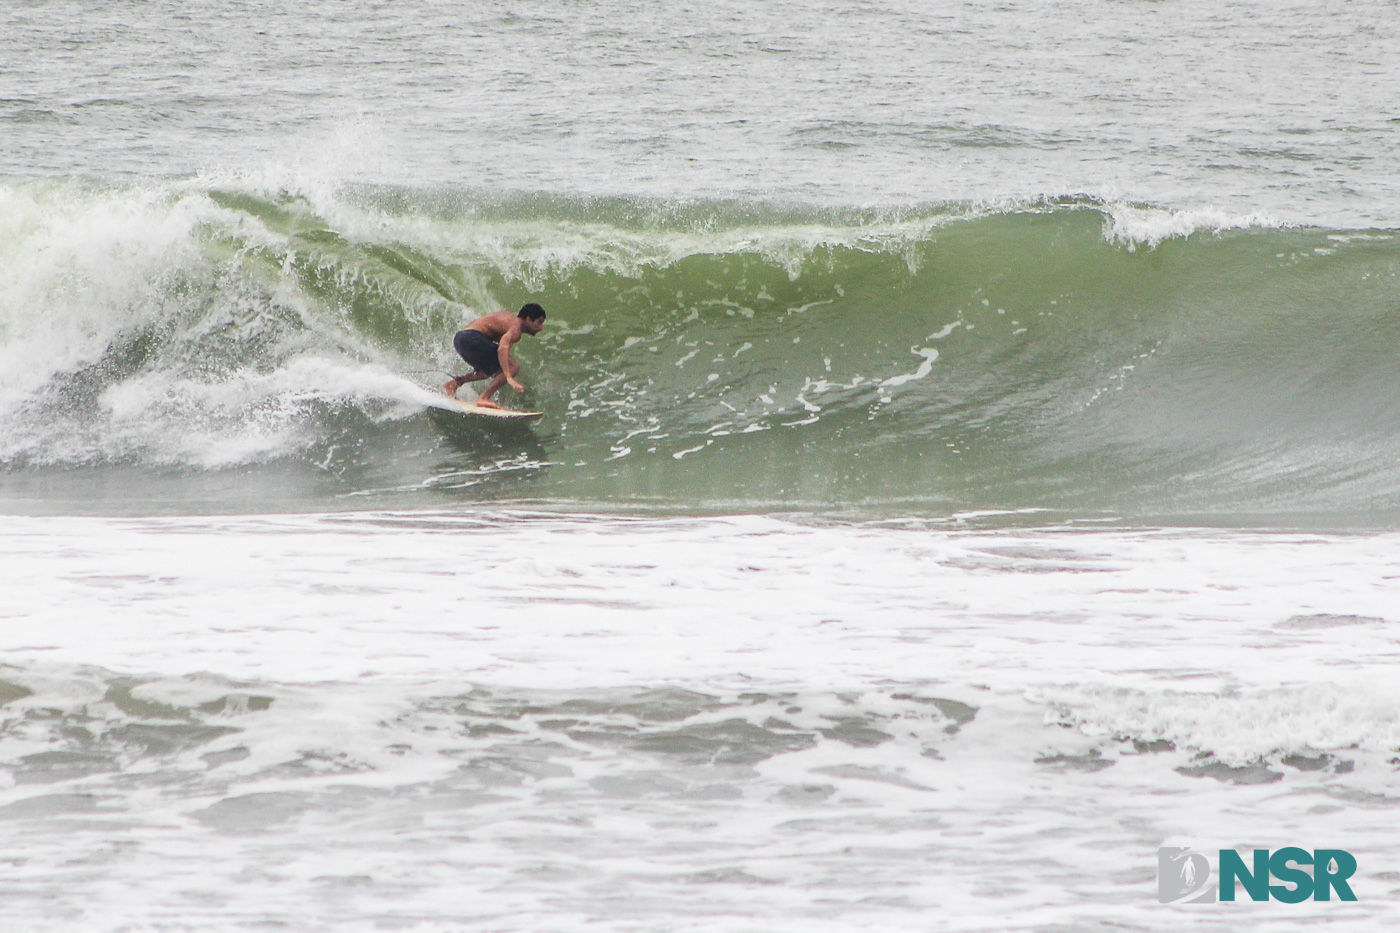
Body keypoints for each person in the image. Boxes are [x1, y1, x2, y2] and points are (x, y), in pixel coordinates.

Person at [443, 303, 547, 409]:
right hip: (471, 338)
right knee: (513, 367)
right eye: (539, 322)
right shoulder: (516, 328)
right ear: (529, 319)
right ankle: (483, 398)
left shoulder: (510, 320)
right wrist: (508, 376)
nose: (541, 328)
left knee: (488, 372)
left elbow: (501, 351)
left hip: (460, 339)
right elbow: (502, 349)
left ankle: (455, 383)